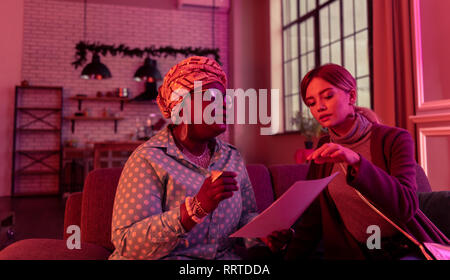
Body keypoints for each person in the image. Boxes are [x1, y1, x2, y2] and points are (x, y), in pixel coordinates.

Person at [281, 64, 450, 260]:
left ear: (351, 96)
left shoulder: (395, 139)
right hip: (355, 252)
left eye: (328, 96)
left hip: (402, 248)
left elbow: (406, 206)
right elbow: (314, 217)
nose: (319, 107)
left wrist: (356, 161)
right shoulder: (324, 145)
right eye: (311, 102)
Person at [109, 56, 266, 260]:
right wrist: (194, 210)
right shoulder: (148, 159)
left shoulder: (232, 157)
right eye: (211, 96)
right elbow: (127, 243)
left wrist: (263, 235)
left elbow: (246, 216)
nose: (225, 104)